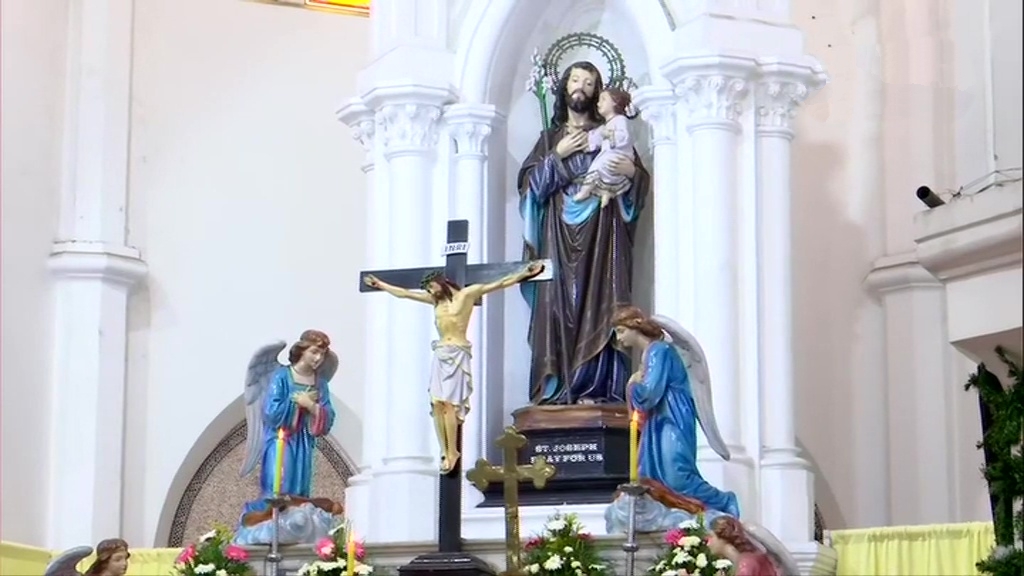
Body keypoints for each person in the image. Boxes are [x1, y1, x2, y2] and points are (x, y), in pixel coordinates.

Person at [518, 60, 651, 406]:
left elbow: (635, 181)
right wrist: (556, 157)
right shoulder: (550, 139)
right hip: (557, 240)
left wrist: (632, 174)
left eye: (590, 83)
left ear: (598, 93)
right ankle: (559, 389)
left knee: (602, 305)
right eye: (576, 80)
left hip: (604, 237)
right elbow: (530, 189)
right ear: (564, 87)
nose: (582, 87)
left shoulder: (609, 131)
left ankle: (599, 389)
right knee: (557, 308)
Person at [365, 261, 545, 472]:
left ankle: (453, 452)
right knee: (436, 404)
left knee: (449, 405)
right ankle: (444, 449)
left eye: (431, 286)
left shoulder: (467, 294)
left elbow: (500, 283)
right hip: (441, 354)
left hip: (458, 354)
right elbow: (404, 294)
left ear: (440, 282)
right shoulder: (435, 302)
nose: (429, 291)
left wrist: (524, 273)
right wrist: (380, 284)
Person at [612, 305, 740, 517]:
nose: (619, 338)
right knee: (651, 477)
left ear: (635, 327)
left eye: (621, 331)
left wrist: (632, 386)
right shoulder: (649, 354)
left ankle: (724, 501)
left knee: (676, 474)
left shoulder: (659, 350)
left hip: (673, 417)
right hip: (658, 421)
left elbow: (650, 392)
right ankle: (674, 516)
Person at [240, 330, 337, 516]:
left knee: (299, 485)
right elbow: (271, 412)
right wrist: (296, 403)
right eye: (314, 352)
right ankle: (271, 517)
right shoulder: (282, 376)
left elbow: (328, 415)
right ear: (302, 350)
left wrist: (310, 406)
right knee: (280, 480)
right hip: (281, 439)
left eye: (322, 355)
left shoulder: (320, 383)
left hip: (303, 442)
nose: (318, 358)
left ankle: (296, 515)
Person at [573, 88, 638, 208]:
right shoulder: (606, 125)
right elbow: (598, 137)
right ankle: (606, 193)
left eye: (603, 99)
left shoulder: (621, 120)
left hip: (618, 155)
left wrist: (610, 135)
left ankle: (586, 191)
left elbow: (624, 137)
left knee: (597, 167)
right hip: (608, 154)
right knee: (600, 167)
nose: (598, 103)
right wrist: (589, 144)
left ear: (614, 102)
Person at [709, 516, 781, 576]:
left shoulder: (746, 564)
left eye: (711, 537)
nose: (708, 543)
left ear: (723, 538)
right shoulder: (742, 560)